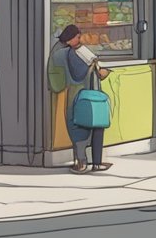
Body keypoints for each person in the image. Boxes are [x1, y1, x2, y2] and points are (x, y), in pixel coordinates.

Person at [48, 25, 112, 172]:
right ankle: (90, 162)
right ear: (70, 39)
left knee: (82, 128)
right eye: (77, 36)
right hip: (86, 95)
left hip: (79, 96)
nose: (80, 38)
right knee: (93, 127)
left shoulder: (64, 53)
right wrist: (97, 68)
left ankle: (85, 162)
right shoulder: (71, 53)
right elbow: (90, 73)